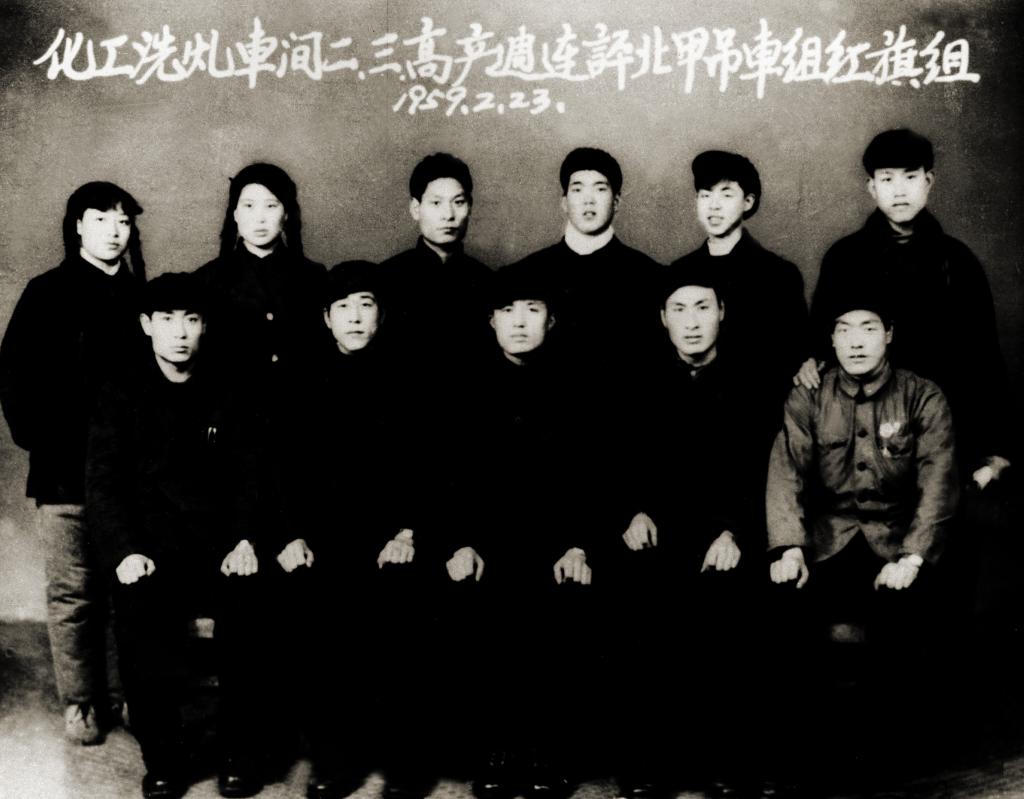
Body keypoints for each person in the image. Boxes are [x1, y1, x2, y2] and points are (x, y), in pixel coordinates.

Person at [87, 273, 270, 799]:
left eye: (191, 319)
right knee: (140, 614)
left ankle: (239, 753)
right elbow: (103, 482)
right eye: (167, 320)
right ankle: (164, 758)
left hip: (219, 545)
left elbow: (251, 474)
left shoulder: (229, 387)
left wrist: (244, 540)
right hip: (150, 548)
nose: (180, 332)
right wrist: (125, 551)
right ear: (147, 325)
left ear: (205, 326)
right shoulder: (120, 390)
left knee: (254, 606)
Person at [766, 290, 959, 789]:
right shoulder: (809, 394)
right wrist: (789, 547)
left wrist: (912, 558)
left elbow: (939, 481)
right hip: (827, 541)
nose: (856, 342)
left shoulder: (923, 395)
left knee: (902, 620)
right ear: (831, 339)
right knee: (780, 605)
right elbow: (786, 470)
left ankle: (880, 766)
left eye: (869, 328)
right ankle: (799, 761)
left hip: (896, 542)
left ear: (889, 335)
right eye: (844, 330)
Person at [272, 261, 435, 799]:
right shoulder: (299, 378)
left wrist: (408, 532)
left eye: (366, 305)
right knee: (316, 610)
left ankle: (403, 759)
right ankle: (334, 757)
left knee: (401, 611)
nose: (355, 317)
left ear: (381, 314)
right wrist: (291, 535)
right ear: (326, 317)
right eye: (343, 307)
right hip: (320, 537)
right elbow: (279, 470)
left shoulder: (409, 376)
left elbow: (430, 467)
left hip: (393, 537)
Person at [612, 264, 771, 798]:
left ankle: (724, 759)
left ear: (722, 312)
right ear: (663, 318)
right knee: (642, 598)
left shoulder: (753, 381)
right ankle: (650, 760)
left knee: (728, 602)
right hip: (659, 528)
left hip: (728, 532)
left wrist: (733, 533)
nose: (692, 322)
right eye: (679, 310)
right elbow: (616, 461)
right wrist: (633, 511)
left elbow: (767, 471)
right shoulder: (639, 380)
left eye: (703, 307)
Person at [0, 181, 147, 744]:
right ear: (78, 226)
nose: (114, 231)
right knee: (72, 593)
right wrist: (47, 439)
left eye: (123, 221)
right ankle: (82, 701)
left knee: (126, 588)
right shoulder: (46, 293)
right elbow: (14, 376)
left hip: (129, 477)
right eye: (101, 219)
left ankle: (126, 692)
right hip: (64, 473)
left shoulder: (141, 297)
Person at [444, 261, 596, 799]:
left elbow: (596, 474)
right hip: (486, 539)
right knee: (482, 600)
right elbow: (448, 476)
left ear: (551, 320)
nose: (520, 322)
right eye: (507, 311)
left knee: (562, 602)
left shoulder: (579, 383)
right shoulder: (465, 384)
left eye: (532, 310)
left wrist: (578, 543)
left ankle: (548, 750)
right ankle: (496, 747)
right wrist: (461, 542)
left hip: (560, 539)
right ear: (491, 321)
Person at [797, 129, 1013, 488]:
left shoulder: (958, 261)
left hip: (944, 430)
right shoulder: (844, 258)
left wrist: (997, 449)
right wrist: (810, 359)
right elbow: (821, 345)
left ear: (928, 181)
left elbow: (985, 359)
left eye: (910, 177)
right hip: (863, 434)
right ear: (871, 187)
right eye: (887, 179)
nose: (899, 191)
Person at [669, 149, 807, 414]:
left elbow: (791, 359)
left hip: (757, 415)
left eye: (726, 194)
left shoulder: (778, 275)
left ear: (748, 201)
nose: (714, 205)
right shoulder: (679, 272)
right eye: (705, 195)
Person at [514, 147, 661, 374]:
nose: (588, 200)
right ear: (564, 202)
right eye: (578, 189)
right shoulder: (526, 273)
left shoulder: (650, 276)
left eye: (600, 189)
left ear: (616, 201)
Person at [195, 161, 329, 399]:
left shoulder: (313, 276)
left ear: (286, 213)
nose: (259, 218)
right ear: (235, 214)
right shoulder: (206, 279)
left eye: (271, 205)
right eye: (248, 206)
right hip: (232, 410)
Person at [379, 152, 493, 366]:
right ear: (415, 209)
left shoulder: (488, 281)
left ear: (470, 206)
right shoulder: (385, 278)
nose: (448, 215)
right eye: (436, 203)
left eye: (458, 202)